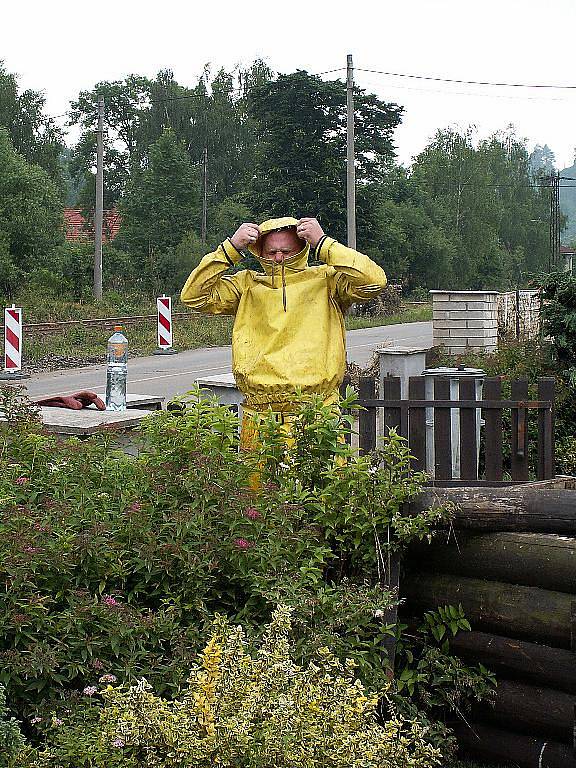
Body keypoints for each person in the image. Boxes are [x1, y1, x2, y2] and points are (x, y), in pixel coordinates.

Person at [180, 216, 387, 451]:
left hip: (316, 411)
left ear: (301, 249)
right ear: (259, 252)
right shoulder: (246, 285)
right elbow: (193, 296)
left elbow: (374, 281)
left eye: (286, 251)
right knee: (259, 487)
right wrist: (231, 248)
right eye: (271, 252)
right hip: (260, 415)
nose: (279, 258)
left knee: (320, 486)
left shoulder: (326, 281)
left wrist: (323, 243)